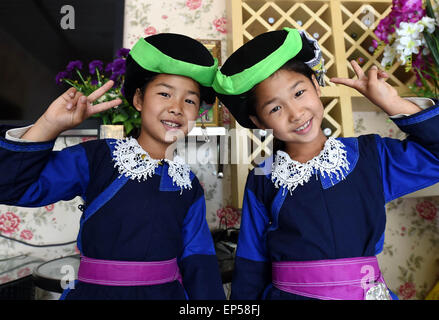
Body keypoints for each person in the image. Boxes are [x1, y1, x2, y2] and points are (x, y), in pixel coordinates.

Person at [212, 27, 439, 300]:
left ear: (316, 85)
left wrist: (392, 103)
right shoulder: (263, 177)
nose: (296, 113)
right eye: (275, 108)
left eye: (299, 93)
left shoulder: (370, 156)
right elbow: (251, 261)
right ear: (259, 123)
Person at [0, 33, 225, 300]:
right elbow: (11, 187)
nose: (176, 108)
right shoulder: (97, 157)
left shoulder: (188, 184)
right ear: (139, 100)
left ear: (198, 113)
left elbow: (199, 261)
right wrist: (49, 125)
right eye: (164, 93)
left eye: (189, 100)